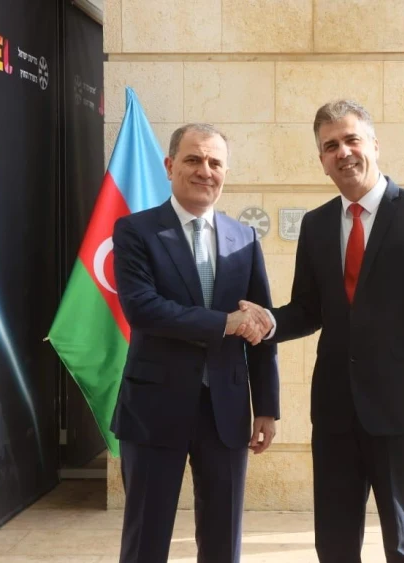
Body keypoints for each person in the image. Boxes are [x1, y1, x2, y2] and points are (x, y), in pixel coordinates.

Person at [241, 100, 404, 563]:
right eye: (330, 146)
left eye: (351, 139)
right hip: (335, 415)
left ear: (374, 145)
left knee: (403, 545)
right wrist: (270, 322)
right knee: (335, 545)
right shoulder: (317, 224)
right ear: (321, 160)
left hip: (400, 418)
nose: (343, 152)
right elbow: (308, 309)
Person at [110, 123, 279, 563]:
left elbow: (259, 328)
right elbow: (143, 309)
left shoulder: (245, 239)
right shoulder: (135, 231)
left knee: (223, 541)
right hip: (153, 410)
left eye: (215, 162)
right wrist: (225, 322)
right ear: (169, 166)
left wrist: (266, 406)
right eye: (193, 159)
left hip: (225, 411)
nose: (205, 170)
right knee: (146, 538)